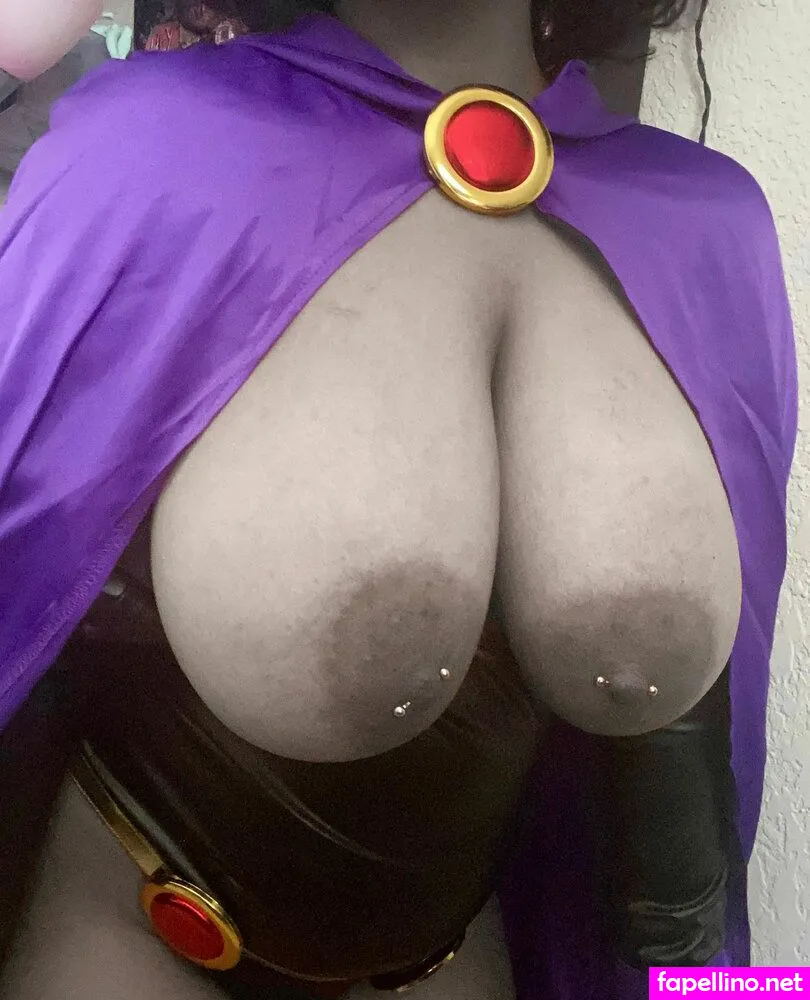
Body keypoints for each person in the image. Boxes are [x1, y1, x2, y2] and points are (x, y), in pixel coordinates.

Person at [0, 2, 796, 1000]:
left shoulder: (705, 228)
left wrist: (726, 989)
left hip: (464, 960)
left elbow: (698, 775)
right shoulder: (146, 154)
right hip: (127, 944)